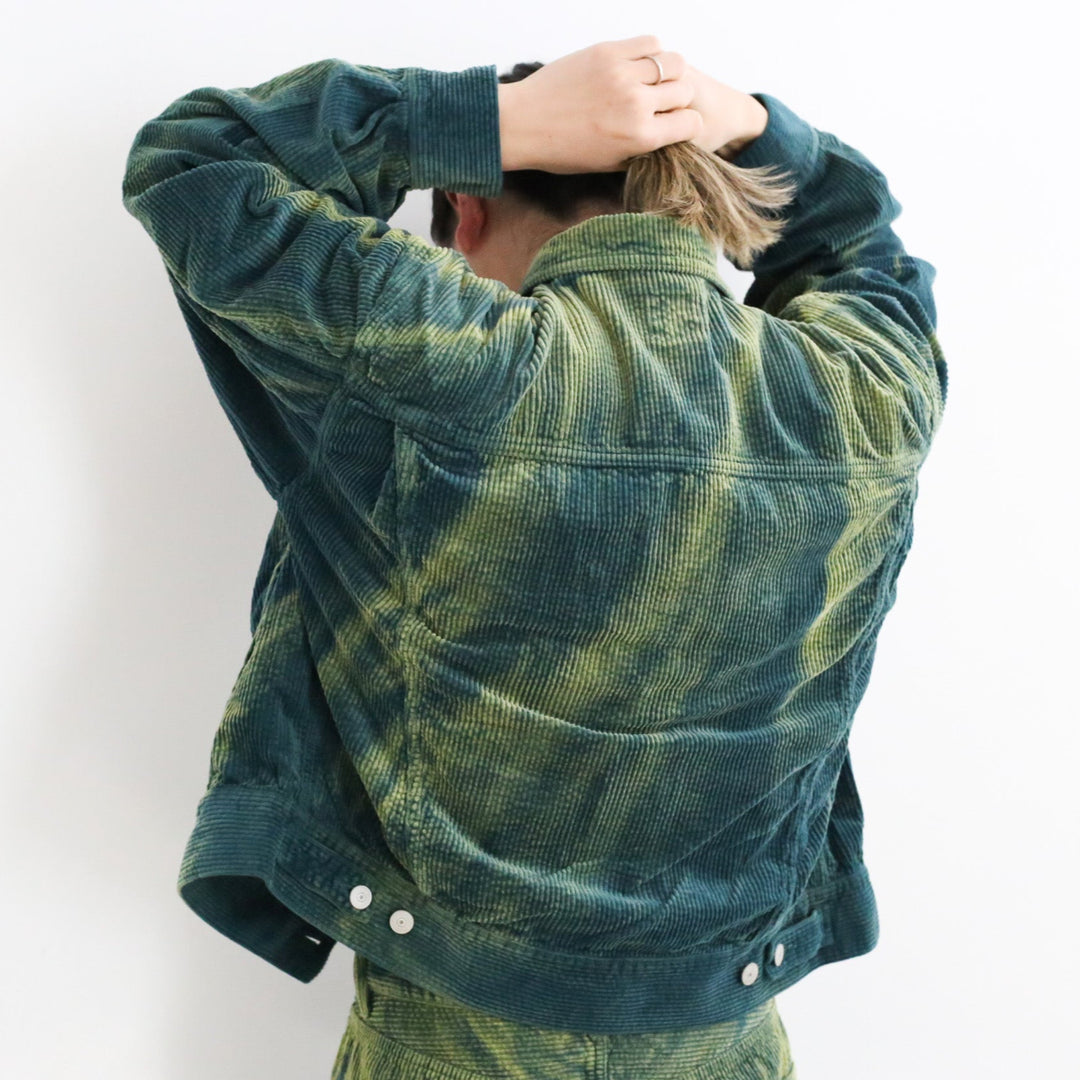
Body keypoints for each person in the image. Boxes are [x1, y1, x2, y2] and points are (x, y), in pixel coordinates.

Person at [121, 34, 946, 1080]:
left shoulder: (443, 355)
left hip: (451, 1039)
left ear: (463, 212)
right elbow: (855, 237)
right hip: (731, 1043)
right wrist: (738, 120)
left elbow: (194, 161)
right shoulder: (864, 391)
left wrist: (493, 121)